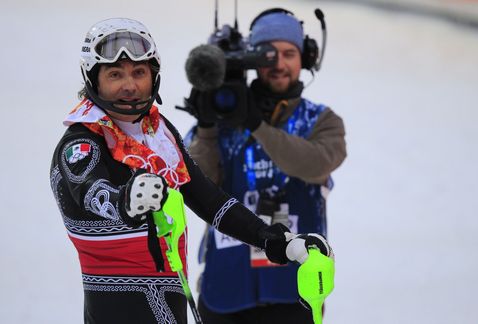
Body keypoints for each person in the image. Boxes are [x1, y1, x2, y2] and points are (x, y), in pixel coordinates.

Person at [49, 18, 333, 324]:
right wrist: (126, 200)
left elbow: (210, 200)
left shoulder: (158, 133)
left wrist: (276, 241)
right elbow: (90, 191)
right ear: (93, 79)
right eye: (115, 74)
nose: (130, 86)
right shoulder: (82, 140)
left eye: (139, 73)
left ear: (153, 76)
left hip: (172, 306)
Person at [185, 8, 347, 324]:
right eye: (269, 55)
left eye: (289, 53)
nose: (280, 64)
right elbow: (196, 185)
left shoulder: (323, 121)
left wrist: (255, 124)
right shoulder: (222, 120)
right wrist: (206, 125)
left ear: (307, 56)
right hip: (226, 287)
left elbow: (315, 164)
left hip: (295, 285)